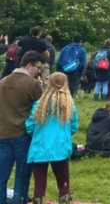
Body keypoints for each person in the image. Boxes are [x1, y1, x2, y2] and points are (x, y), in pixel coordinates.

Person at [25, 72, 79, 204]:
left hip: (40, 148)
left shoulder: (39, 104)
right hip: (60, 148)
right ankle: (65, 201)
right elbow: (74, 126)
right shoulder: (69, 105)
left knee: (39, 184)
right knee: (63, 181)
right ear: (65, 84)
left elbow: (30, 126)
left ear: (48, 83)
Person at [0, 51, 45, 204]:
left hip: (2, 134)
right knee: (22, 177)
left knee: (1, 177)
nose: (38, 71)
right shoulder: (32, 84)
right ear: (29, 65)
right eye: (38, 67)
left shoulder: (3, 81)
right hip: (22, 135)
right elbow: (42, 107)